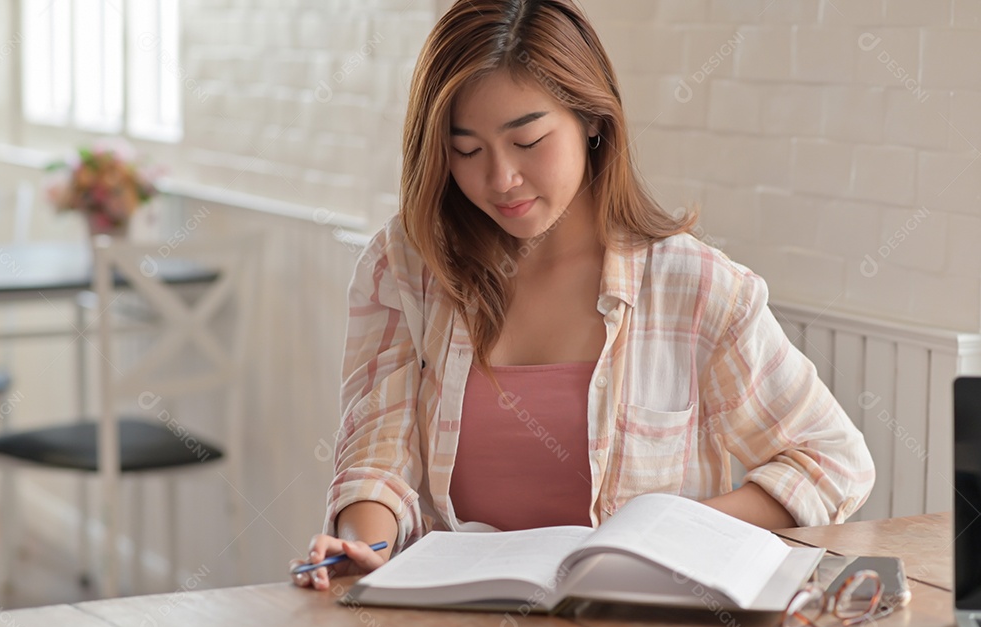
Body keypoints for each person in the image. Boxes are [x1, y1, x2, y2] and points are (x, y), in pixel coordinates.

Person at [291, 0, 875, 590]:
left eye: (528, 141)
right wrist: (363, 547)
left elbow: (833, 462)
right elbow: (377, 451)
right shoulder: (407, 265)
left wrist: (666, 532)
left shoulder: (694, 287)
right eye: (465, 150)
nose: (500, 179)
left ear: (593, 120)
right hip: (454, 625)